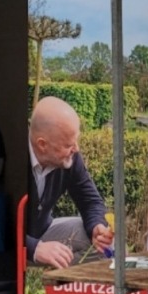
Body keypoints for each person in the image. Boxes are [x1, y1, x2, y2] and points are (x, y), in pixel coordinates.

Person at [26, 96, 111, 269]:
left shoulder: (69, 159)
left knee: (106, 245)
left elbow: (90, 201)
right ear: (42, 144)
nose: (76, 149)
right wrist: (33, 248)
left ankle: (54, 287)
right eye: (68, 144)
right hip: (5, 243)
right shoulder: (11, 157)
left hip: (43, 231)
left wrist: (97, 226)